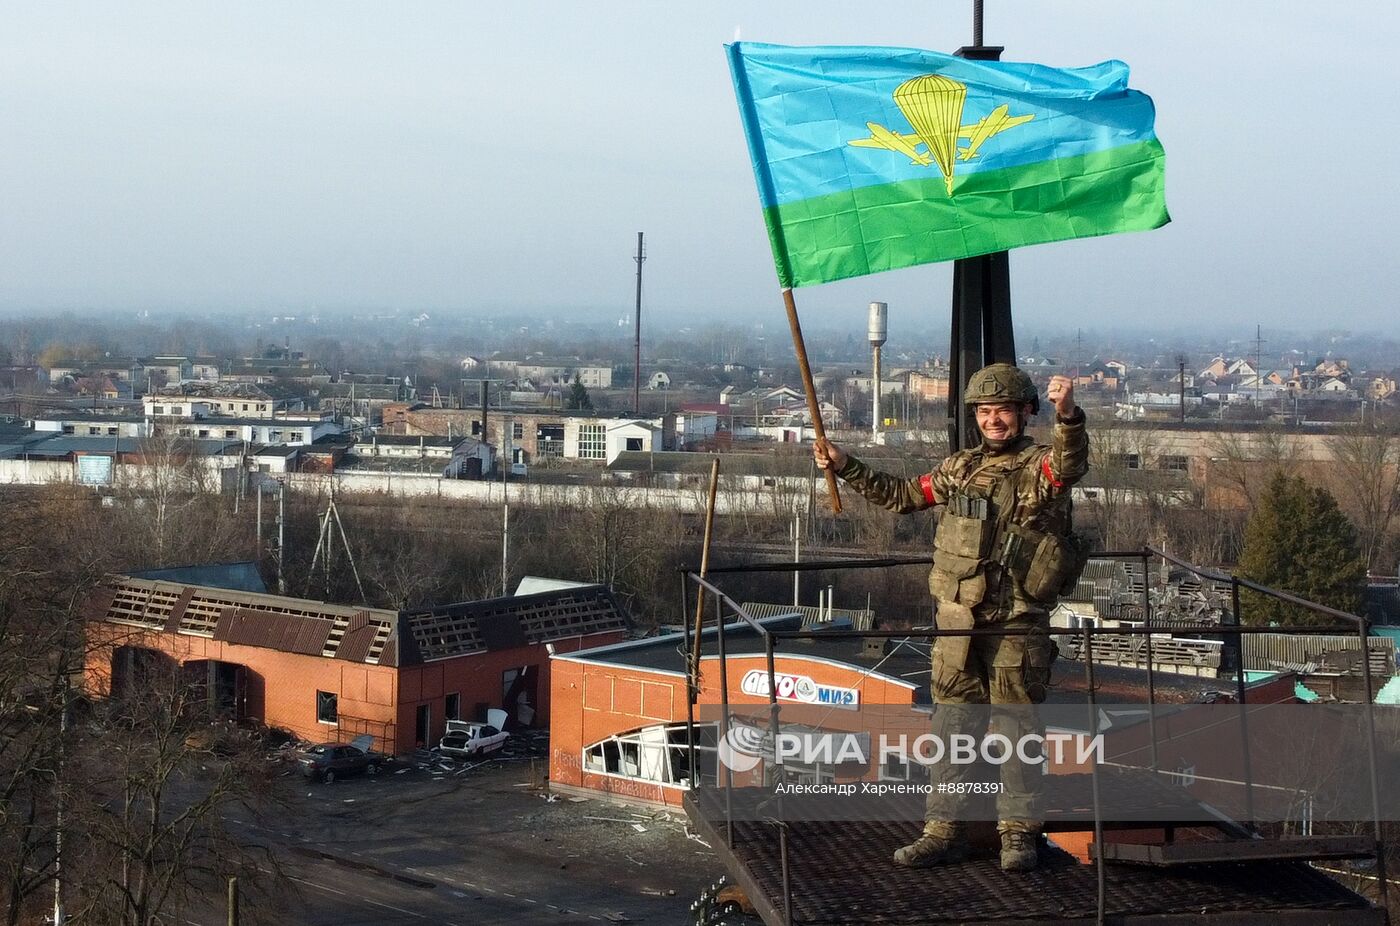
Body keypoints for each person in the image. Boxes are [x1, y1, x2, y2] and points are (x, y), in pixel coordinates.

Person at [814, 363, 1089, 872]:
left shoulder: (1039, 468)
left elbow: (1069, 465)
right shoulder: (959, 469)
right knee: (952, 731)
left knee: (1017, 731)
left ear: (1025, 412)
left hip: (1015, 622)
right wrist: (845, 464)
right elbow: (903, 497)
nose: (993, 421)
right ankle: (943, 830)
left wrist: (1068, 415)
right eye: (984, 412)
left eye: (1002, 410)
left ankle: (1018, 837)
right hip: (959, 622)